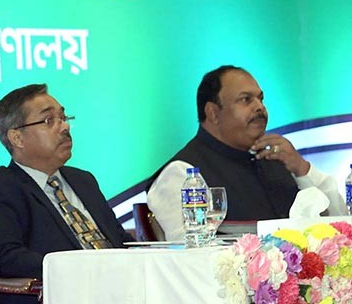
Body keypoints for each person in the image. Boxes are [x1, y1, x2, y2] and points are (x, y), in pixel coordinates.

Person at [0, 84, 131, 303]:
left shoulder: (84, 180)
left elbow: (119, 241)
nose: (64, 127)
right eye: (49, 120)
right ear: (17, 138)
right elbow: (4, 258)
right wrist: (83, 268)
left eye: (64, 118)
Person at [147, 65, 346, 241]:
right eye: (245, 100)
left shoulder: (279, 159)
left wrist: (302, 169)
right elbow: (190, 257)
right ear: (213, 113)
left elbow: (341, 227)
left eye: (260, 99)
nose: (259, 107)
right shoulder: (183, 174)